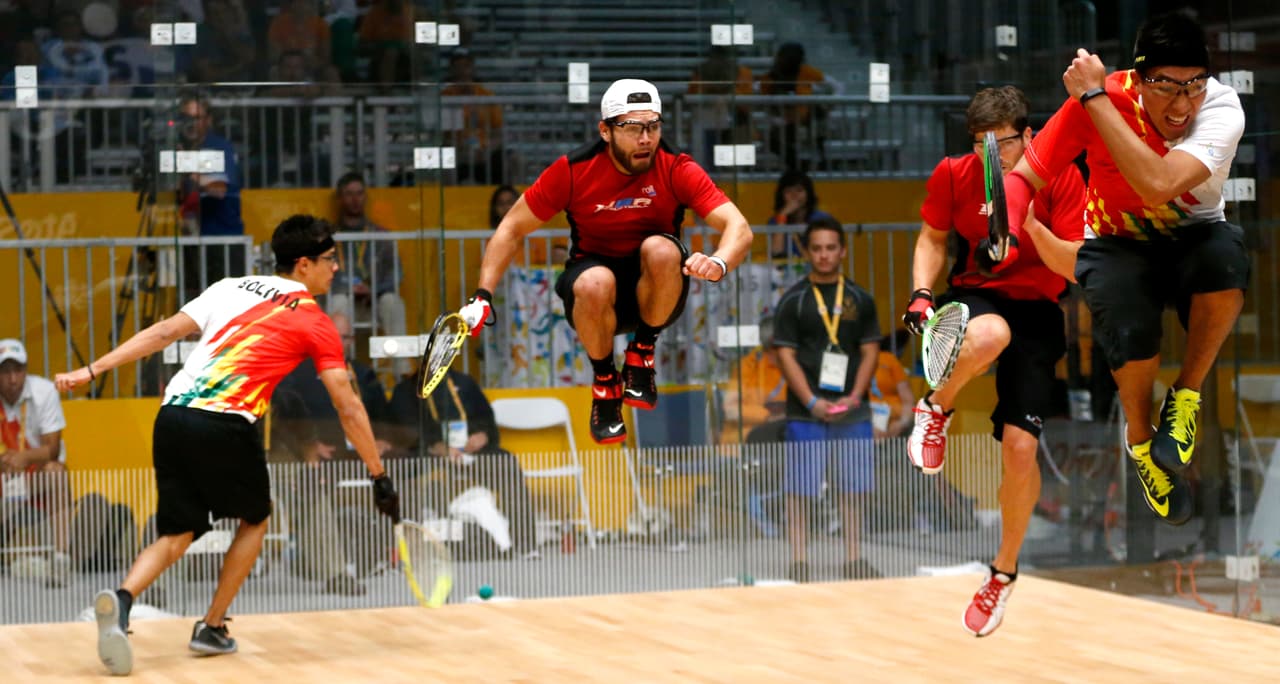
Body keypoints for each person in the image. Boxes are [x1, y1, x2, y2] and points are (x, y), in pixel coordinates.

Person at [54, 215, 400, 676]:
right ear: (303, 264)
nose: (336, 268)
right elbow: (349, 406)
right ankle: (212, 626)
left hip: (172, 416)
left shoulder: (229, 287)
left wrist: (92, 370)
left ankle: (121, 600)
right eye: (330, 259)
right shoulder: (316, 323)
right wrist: (378, 474)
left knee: (178, 531)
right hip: (225, 422)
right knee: (256, 517)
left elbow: (163, 333)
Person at [995, 12, 1246, 529]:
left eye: (1193, 85)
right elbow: (1022, 179)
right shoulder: (1106, 96)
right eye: (1166, 87)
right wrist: (1006, 225)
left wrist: (1094, 98)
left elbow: (1159, 185)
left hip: (1192, 236)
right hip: (1116, 241)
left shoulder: (1222, 107)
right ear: (1138, 77)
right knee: (1128, 324)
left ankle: (1186, 396)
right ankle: (1140, 441)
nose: (1182, 105)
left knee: (1227, 260)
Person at [458, 78, 754, 444]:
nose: (645, 138)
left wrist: (719, 262)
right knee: (594, 281)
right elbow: (511, 229)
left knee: (662, 250)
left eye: (653, 126)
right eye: (632, 128)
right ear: (605, 131)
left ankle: (642, 353)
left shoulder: (676, 167)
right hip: (594, 290)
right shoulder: (572, 169)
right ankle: (605, 383)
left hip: (657, 290)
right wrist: (482, 295)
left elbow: (739, 227)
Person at [902, 85, 1086, 636]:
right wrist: (921, 293)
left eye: (1002, 145)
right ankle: (935, 408)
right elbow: (932, 238)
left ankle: (1002, 573)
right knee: (988, 334)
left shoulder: (1062, 176)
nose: (991, 157)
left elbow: (1075, 265)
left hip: (1040, 310)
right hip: (978, 296)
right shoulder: (953, 174)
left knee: (1022, 451)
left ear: (1028, 136)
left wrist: (1025, 225)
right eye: (980, 145)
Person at [773, 217, 881, 582]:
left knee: (854, 486)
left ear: (843, 251)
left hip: (852, 410)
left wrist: (854, 397)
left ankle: (854, 558)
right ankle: (799, 561)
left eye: (830, 248)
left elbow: (870, 350)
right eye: (816, 248)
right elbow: (785, 355)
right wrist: (810, 401)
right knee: (799, 488)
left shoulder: (860, 298)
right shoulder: (793, 300)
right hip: (805, 410)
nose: (823, 255)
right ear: (807, 252)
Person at [269, 312, 392, 595]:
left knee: (312, 489)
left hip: (346, 457)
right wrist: (309, 446)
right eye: (334, 336)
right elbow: (285, 415)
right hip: (289, 451)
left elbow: (385, 419)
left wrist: (381, 440)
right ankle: (334, 572)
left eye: (345, 337)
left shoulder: (363, 374)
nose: (339, 342)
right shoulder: (297, 372)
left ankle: (356, 566)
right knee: (308, 487)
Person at [387, 368, 540, 558]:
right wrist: (437, 446)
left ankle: (525, 544)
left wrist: (483, 435)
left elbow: (487, 420)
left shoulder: (464, 382)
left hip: (470, 453)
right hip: (428, 456)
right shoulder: (405, 390)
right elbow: (404, 430)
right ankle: (411, 549)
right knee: (399, 468)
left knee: (504, 462)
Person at [0, 338, 73, 587]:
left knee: (56, 472)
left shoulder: (45, 391)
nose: (12, 379)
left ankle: (61, 559)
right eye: (5, 372)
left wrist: (23, 458)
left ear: (26, 370)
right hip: (3, 483)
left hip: (35, 480)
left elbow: (53, 449)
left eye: (18, 370)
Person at [329, 171, 408, 375]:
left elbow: (396, 274)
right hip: (343, 303)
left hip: (373, 302)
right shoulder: (329, 236)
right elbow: (321, 274)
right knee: (338, 301)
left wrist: (372, 289)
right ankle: (337, 371)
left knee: (393, 302)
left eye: (359, 193)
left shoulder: (380, 235)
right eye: (349, 194)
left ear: (365, 196)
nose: (355, 199)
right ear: (340, 198)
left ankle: (403, 374)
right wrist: (349, 288)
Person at [177, 91, 245, 301]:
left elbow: (219, 190)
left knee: (227, 305)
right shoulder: (176, 145)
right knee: (191, 303)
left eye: (197, 118)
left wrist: (187, 167)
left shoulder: (219, 147)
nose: (191, 124)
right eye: (186, 118)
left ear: (208, 120)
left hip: (222, 239)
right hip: (188, 241)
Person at [720, 316, 786, 445]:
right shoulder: (747, 367)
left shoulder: (793, 367)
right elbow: (731, 411)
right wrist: (767, 416)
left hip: (783, 440)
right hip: (746, 444)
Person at [442, 49, 505, 185]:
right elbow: (445, 136)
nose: (462, 71)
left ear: (472, 69)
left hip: (484, 152)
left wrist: (487, 149)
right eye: (458, 67)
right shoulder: (446, 97)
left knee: (512, 160)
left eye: (466, 66)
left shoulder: (486, 95)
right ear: (452, 70)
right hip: (459, 152)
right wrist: (461, 149)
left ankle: (507, 196)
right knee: (446, 161)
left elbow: (498, 133)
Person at [767, 169, 834, 258]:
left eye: (799, 190)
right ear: (781, 196)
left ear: (808, 194)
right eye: (788, 191)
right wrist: (782, 215)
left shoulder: (822, 219)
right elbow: (776, 252)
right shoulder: (775, 221)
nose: (794, 195)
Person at [870, 331, 915, 440]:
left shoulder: (889, 359)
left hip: (893, 419)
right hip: (865, 418)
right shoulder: (854, 361)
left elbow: (908, 400)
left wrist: (902, 423)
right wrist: (869, 427)